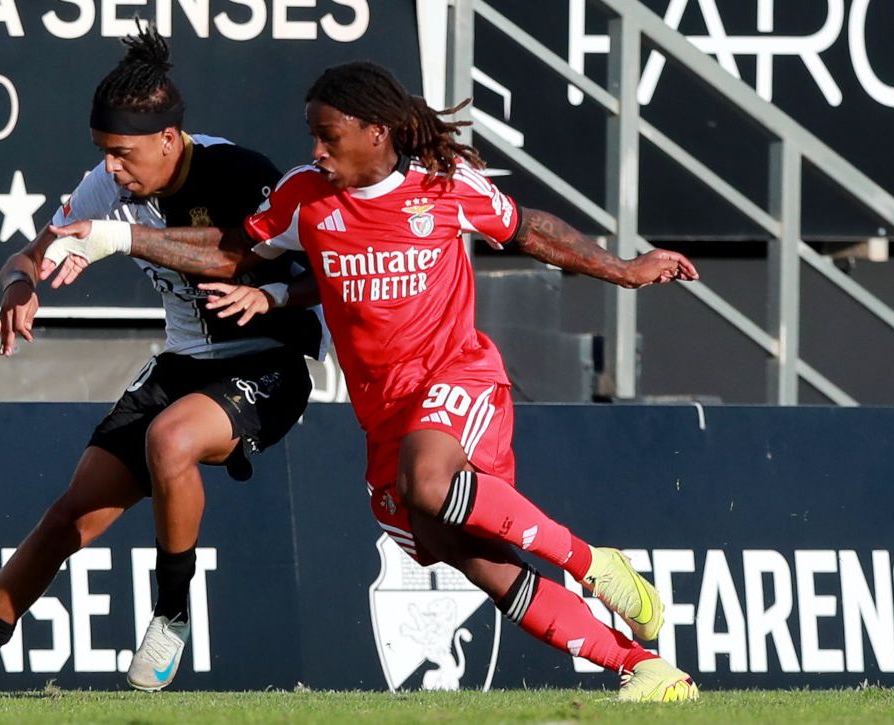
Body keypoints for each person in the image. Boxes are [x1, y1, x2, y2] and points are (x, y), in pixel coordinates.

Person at [48, 61, 701, 702]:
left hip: (457, 378)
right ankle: (643, 666)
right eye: (313, 135)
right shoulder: (305, 195)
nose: (317, 151)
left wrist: (624, 268)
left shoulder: (446, 185)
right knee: (467, 555)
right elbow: (231, 250)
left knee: (428, 479)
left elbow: (531, 230)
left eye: (328, 136)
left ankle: (595, 563)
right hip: (383, 413)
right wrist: (119, 236)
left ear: (376, 134)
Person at [0, 24, 322, 692]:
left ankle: (172, 610)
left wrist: (119, 237)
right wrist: (20, 284)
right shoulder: (109, 189)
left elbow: (234, 255)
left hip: (268, 363)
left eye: (123, 153)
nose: (111, 169)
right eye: (103, 153)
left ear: (169, 138)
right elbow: (24, 255)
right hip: (182, 367)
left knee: (170, 440)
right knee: (69, 516)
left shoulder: (241, 175)